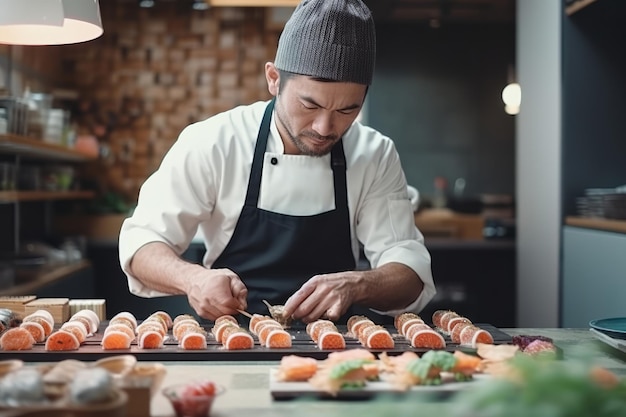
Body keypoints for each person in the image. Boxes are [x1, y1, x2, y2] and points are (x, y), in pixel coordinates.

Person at [118, 0, 436, 324]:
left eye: (346, 110)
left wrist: (358, 284)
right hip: (232, 342)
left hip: (334, 353)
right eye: (309, 105)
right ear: (274, 79)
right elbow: (142, 242)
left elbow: (410, 276)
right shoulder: (215, 142)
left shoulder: (374, 154)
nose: (325, 129)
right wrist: (193, 279)